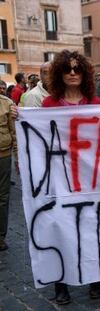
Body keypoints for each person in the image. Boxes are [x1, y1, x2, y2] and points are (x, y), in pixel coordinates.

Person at [41, 50, 100, 304]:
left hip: (90, 179)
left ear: (85, 73)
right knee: (60, 230)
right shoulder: (48, 105)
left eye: (77, 69)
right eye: (68, 69)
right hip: (59, 178)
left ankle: (95, 278)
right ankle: (61, 283)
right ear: (60, 73)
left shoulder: (95, 102)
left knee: (90, 229)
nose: (73, 73)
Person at [0, 93, 17, 252]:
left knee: (2, 197)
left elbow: (14, 133)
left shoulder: (6, 103)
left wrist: (18, 158)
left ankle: (0, 236)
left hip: (3, 156)